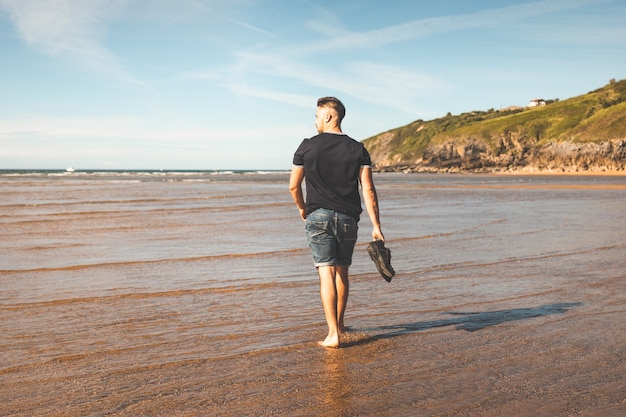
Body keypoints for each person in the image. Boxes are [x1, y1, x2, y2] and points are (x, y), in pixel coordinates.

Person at [289, 96, 384, 348]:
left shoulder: (307, 146)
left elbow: (293, 185)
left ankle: (333, 335)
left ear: (329, 116)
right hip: (348, 218)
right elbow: (369, 191)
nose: (315, 120)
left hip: (318, 216)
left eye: (317, 115)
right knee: (342, 271)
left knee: (326, 274)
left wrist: (302, 208)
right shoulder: (358, 149)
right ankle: (340, 324)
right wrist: (376, 226)